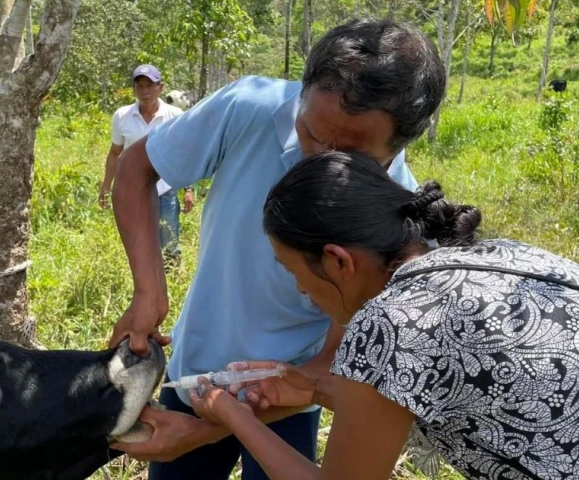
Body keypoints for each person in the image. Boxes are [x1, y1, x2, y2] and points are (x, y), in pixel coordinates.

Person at [109, 19, 446, 480]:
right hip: (195, 375)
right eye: (310, 134)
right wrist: (148, 292)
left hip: (288, 404)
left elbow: (333, 363)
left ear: (397, 145)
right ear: (303, 95)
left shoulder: (396, 229)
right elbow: (135, 169)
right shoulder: (249, 107)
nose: (317, 158)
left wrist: (208, 429)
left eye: (346, 154)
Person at [189, 150, 579, 480]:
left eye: (294, 271)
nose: (301, 290)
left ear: (337, 261)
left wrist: (233, 416)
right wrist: (314, 390)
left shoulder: (390, 323)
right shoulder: (501, 253)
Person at [99, 64, 193, 265]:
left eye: (150, 86)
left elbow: (185, 154)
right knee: (139, 242)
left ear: (161, 87)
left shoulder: (175, 116)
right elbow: (115, 152)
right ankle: (145, 285)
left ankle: (172, 281)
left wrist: (188, 189)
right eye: (140, 86)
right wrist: (106, 185)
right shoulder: (122, 116)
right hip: (133, 190)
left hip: (165, 189)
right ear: (134, 89)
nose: (145, 91)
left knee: (169, 241)